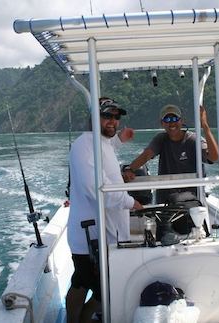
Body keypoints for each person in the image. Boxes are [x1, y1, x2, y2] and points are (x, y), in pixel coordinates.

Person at [66, 97, 143, 323]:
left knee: (91, 283)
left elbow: (105, 151)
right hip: (89, 234)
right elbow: (95, 188)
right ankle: (77, 320)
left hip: (103, 231)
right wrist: (131, 203)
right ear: (93, 117)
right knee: (92, 285)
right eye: (107, 116)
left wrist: (120, 140)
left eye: (116, 117)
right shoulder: (83, 144)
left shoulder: (101, 142)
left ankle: (81, 319)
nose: (113, 121)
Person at [124, 104, 219, 204]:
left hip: (191, 198)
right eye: (167, 120)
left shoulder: (193, 140)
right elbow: (146, 155)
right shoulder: (161, 139)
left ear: (181, 121)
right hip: (166, 200)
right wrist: (130, 169)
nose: (172, 123)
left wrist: (205, 126)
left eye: (175, 119)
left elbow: (214, 157)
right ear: (162, 123)